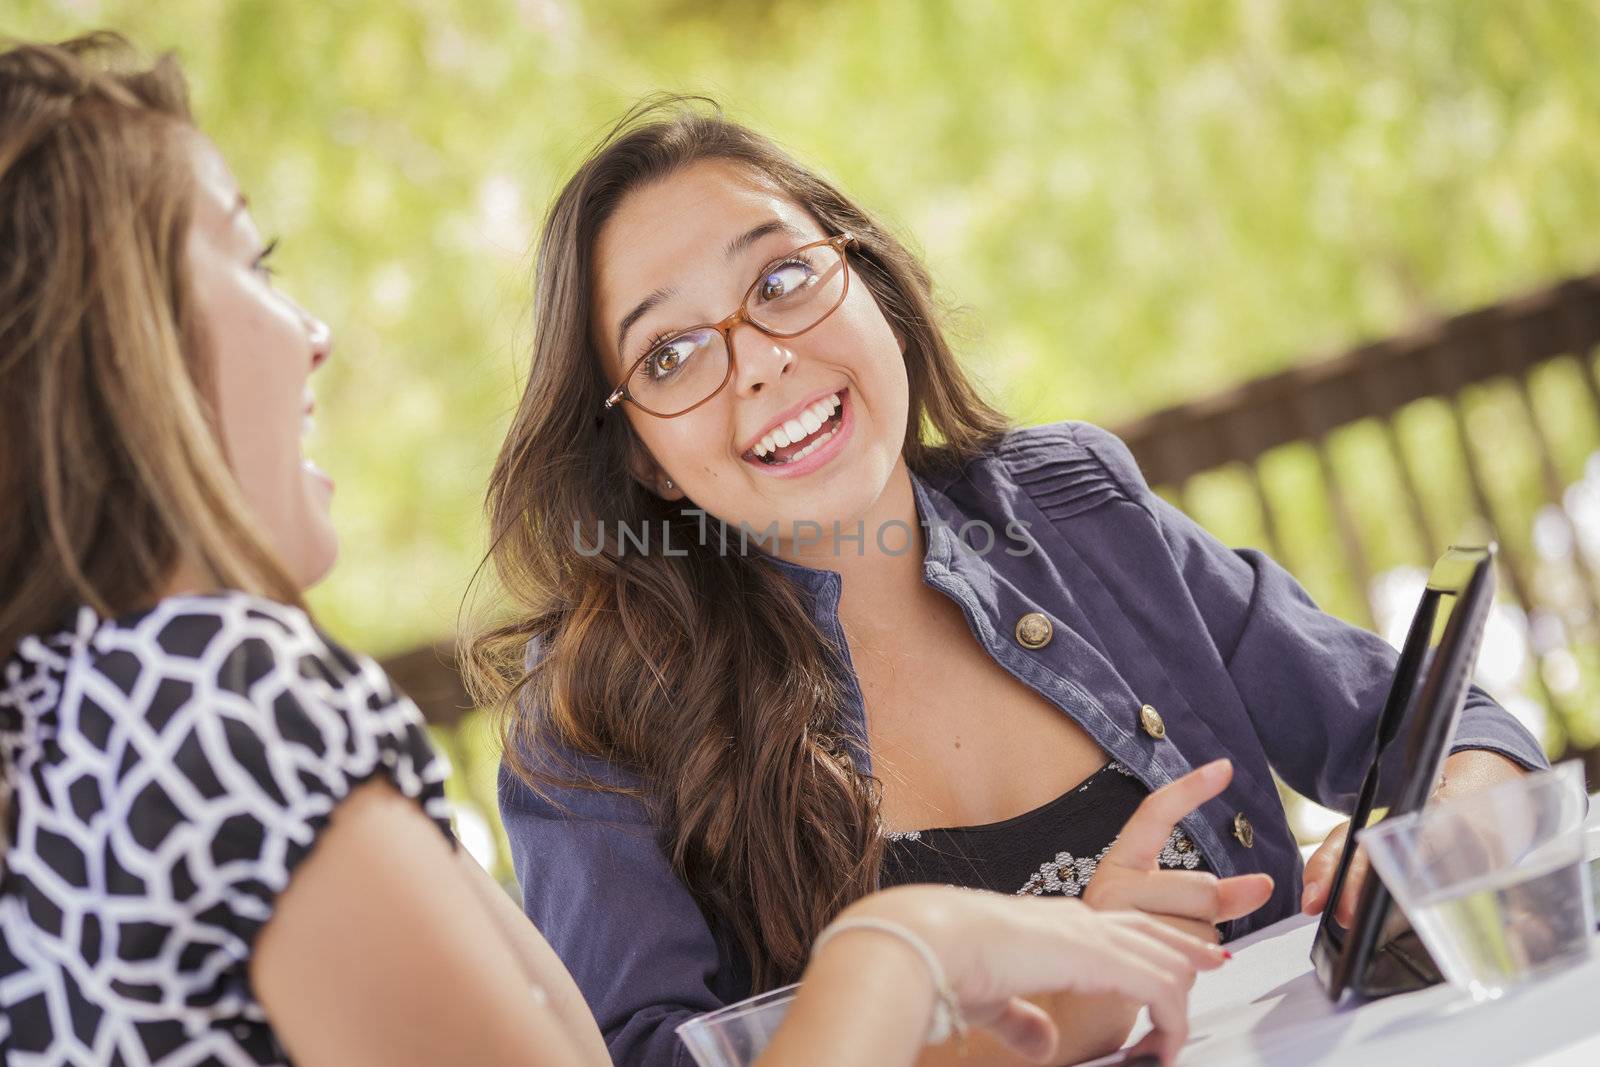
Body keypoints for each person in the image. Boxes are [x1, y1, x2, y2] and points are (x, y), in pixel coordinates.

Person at [0, 33, 1228, 1067]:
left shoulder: (66, 729)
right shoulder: (216, 695)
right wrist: (908, 949)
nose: (311, 332)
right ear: (116, 349)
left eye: (786, 279)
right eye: (250, 260)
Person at [467, 96, 1549, 1066]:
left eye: (783, 279)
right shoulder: (590, 724)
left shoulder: (1078, 507)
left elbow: (1448, 729)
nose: (754, 358)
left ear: (872, 286)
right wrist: (1038, 1016)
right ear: (643, 454)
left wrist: (1440, 835)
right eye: (668, 354)